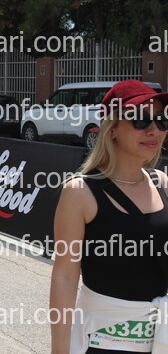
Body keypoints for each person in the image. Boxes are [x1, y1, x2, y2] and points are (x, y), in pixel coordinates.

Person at [50, 79, 168, 354]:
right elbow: (65, 276)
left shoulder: (162, 183)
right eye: (140, 120)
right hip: (104, 342)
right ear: (112, 128)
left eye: (161, 120)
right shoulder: (80, 192)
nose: (154, 130)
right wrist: (60, 349)